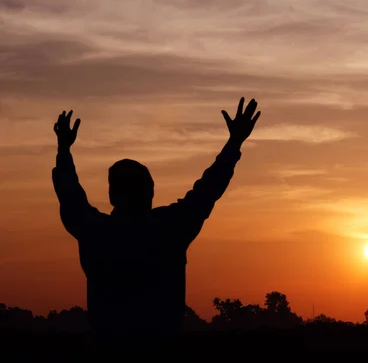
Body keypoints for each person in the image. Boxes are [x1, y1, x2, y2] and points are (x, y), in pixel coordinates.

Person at [52, 97, 260, 341]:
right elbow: (208, 189)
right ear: (150, 192)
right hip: (162, 360)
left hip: (108, 359)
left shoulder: (95, 231)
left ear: (111, 195)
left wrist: (64, 151)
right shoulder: (169, 227)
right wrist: (234, 143)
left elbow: (70, 196)